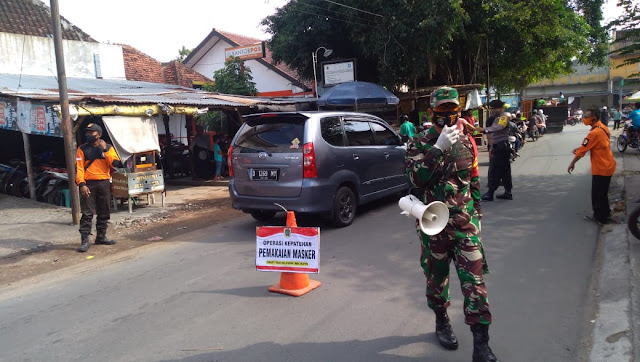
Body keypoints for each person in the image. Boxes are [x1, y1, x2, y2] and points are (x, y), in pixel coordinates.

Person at [405, 86, 500, 362]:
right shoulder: (419, 142)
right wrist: (437, 149)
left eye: (452, 109)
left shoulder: (468, 139)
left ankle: (481, 346)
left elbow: (472, 182)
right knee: (436, 280)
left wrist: (478, 217)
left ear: (459, 110)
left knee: (475, 284)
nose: (447, 115)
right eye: (442, 110)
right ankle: (441, 321)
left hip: (465, 224)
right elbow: (416, 180)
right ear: (431, 111)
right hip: (433, 226)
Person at [75, 123, 121, 253]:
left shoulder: (108, 148)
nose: (89, 135)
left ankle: (101, 236)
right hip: (88, 184)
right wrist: (81, 184)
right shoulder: (82, 149)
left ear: (99, 135)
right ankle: (84, 240)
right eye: (87, 133)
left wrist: (105, 149)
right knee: (87, 213)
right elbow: (78, 168)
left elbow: (114, 163)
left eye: (92, 133)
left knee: (104, 211)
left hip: (104, 183)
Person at [567, 109, 616, 225]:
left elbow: (583, 150)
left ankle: (600, 217)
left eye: (587, 117)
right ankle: (606, 214)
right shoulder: (603, 128)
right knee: (603, 193)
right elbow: (588, 145)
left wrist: (572, 163)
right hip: (608, 165)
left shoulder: (593, 133)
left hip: (601, 167)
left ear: (593, 118)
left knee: (597, 194)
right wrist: (579, 149)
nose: (584, 119)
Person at [482, 99, 513, 201]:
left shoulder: (503, 117)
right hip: (499, 147)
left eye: (493, 108)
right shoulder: (498, 117)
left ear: (500, 108)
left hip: (501, 148)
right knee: (504, 171)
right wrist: (490, 147)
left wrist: (482, 130)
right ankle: (507, 192)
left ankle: (490, 193)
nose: (491, 111)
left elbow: (498, 128)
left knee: (494, 171)